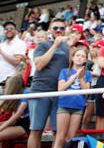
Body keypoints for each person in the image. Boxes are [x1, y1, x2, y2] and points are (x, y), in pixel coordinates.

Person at [28, 18, 72, 148]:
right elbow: (39, 65)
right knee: (36, 130)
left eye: (62, 28)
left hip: (59, 92)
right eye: (55, 28)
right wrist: (54, 45)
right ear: (50, 30)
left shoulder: (68, 48)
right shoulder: (43, 45)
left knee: (57, 132)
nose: (59, 31)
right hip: (40, 90)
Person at [53, 48, 91, 148]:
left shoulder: (87, 74)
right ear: (73, 58)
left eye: (82, 56)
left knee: (71, 137)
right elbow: (60, 89)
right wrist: (75, 76)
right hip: (64, 105)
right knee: (60, 137)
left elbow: (86, 92)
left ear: (86, 60)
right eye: (77, 55)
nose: (79, 58)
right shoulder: (65, 71)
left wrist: (81, 77)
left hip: (78, 108)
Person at [0, 75, 29, 147]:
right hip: (18, 123)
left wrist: (1, 127)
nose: (5, 88)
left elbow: (17, 114)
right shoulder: (15, 95)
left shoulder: (26, 92)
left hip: (26, 124)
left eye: (6, 86)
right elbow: (13, 120)